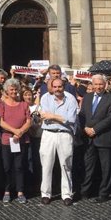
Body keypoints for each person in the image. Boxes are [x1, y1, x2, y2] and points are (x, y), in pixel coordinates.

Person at [79, 74, 111, 203]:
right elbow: (82, 115)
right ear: (92, 84)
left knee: (106, 167)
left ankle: (104, 193)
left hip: (104, 137)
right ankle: (85, 191)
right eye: (96, 84)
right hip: (88, 138)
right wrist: (85, 128)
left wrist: (95, 130)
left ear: (105, 84)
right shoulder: (87, 97)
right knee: (88, 166)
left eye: (100, 84)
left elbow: (110, 118)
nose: (98, 87)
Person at [38, 78, 78, 206]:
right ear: (51, 87)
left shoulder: (71, 99)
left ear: (63, 86)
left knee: (66, 165)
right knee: (46, 164)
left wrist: (53, 116)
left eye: (59, 87)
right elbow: (44, 116)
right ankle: (45, 193)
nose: (57, 89)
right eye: (54, 87)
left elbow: (71, 118)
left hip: (64, 135)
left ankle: (66, 194)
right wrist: (61, 118)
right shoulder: (45, 98)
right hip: (48, 134)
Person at [0, 78, 31, 204]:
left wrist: (20, 132)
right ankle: (7, 190)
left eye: (16, 89)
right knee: (7, 166)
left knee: (19, 166)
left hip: (21, 140)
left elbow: (28, 121)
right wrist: (14, 131)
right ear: (6, 90)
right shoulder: (2, 104)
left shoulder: (24, 104)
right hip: (7, 140)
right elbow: (1, 122)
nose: (14, 91)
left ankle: (20, 191)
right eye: (11, 89)